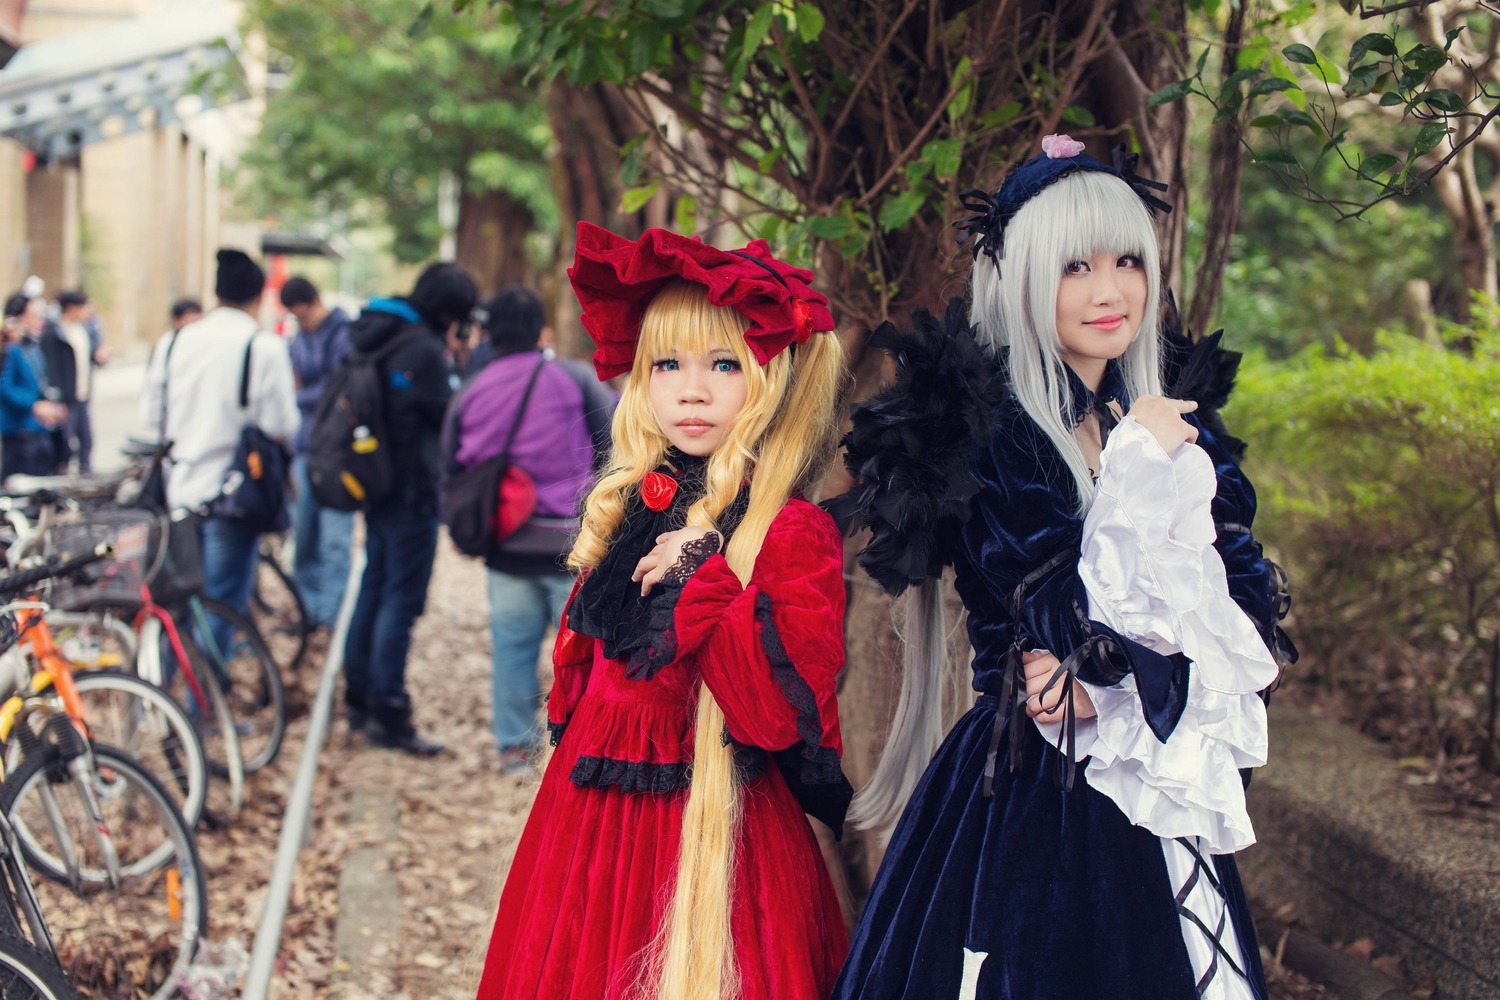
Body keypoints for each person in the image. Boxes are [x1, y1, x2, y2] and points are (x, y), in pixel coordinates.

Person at [829, 136, 1290, 1000]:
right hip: (1032, 781)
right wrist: (1140, 477)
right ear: (1023, 276)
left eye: (1127, 261)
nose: (1109, 291)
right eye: (1075, 266)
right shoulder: (994, 434)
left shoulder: (1166, 420)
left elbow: (1237, 600)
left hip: (1152, 784)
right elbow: (1068, 621)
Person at [477, 224, 853, 1000]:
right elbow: (579, 675)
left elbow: (773, 720)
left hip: (716, 840)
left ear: (767, 376)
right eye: (668, 364)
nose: (692, 389)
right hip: (586, 825)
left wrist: (704, 574)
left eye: (723, 364)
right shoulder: (633, 504)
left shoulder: (788, 531)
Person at [442, 285, 616, 772]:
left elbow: (449, 471)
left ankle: (516, 750)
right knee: (587, 651)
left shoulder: (471, 392)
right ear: (540, 329)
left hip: (507, 546)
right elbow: (618, 442)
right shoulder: (573, 377)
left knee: (513, 650)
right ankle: (584, 745)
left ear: (486, 333)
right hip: (574, 544)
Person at [341, 262, 476, 756]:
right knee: (400, 601)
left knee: (374, 588)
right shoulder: (422, 348)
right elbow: (447, 415)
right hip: (412, 493)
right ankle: (390, 711)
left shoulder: (373, 334)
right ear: (448, 313)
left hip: (374, 484)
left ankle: (358, 699)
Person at [139, 250, 299, 624]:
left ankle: (165, 678)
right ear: (259, 297)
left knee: (177, 601)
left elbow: (150, 415)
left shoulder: (173, 342)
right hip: (233, 494)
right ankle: (209, 681)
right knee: (223, 602)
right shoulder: (262, 347)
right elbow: (282, 425)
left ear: (216, 294)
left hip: (176, 490)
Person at [280, 276, 356, 630]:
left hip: (338, 452)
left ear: (315, 302)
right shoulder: (298, 338)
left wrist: (303, 394)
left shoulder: (344, 334)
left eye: (303, 315)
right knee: (304, 537)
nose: (301, 322)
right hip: (304, 449)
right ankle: (309, 610)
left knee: (335, 539)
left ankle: (332, 614)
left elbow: (336, 389)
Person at [1, 292, 67, 479]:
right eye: (34, 315)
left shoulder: (33, 346)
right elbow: (5, 388)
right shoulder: (9, 349)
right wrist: (34, 406)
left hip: (41, 432)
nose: (39, 320)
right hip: (20, 434)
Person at [52, 290, 100, 473]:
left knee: (86, 439)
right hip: (67, 396)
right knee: (65, 441)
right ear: (72, 308)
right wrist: (59, 397)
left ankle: (85, 473)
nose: (88, 312)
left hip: (83, 394)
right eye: (84, 308)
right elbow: (54, 367)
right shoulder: (57, 332)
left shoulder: (83, 331)